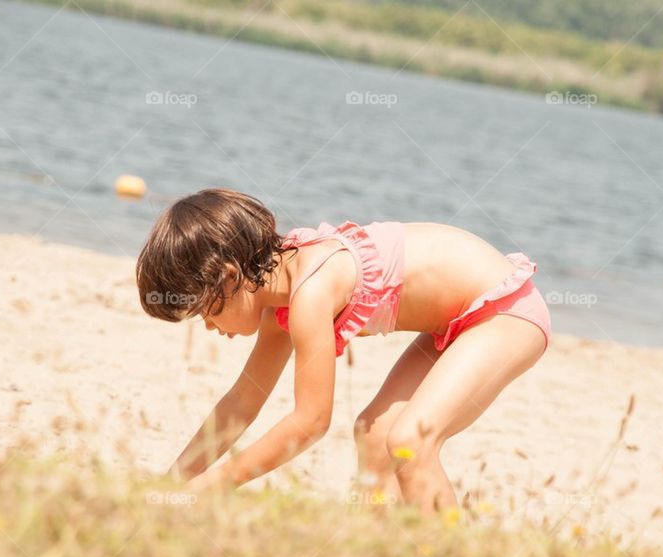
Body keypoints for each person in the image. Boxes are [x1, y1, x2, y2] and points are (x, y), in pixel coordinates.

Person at [135, 188, 551, 514]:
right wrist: (171, 486)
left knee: (410, 440)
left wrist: (210, 488)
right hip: (457, 321)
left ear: (228, 279)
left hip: (504, 310)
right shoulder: (278, 292)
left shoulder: (311, 291)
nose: (209, 326)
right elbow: (242, 402)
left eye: (205, 311)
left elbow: (311, 421)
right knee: (374, 436)